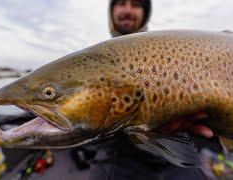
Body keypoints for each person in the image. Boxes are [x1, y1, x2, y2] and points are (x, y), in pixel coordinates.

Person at [87, 0, 221, 179]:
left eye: (135, 4)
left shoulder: (171, 53)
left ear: (145, 13)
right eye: (120, 3)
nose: (127, 10)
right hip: (116, 160)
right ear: (111, 12)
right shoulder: (93, 61)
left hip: (176, 159)